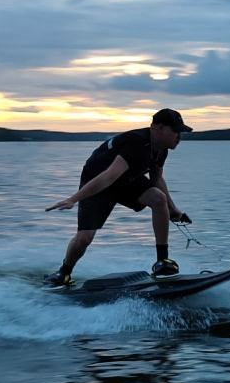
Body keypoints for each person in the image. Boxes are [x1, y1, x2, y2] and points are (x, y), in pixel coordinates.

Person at [43, 108, 194, 286]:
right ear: (158, 128)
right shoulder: (136, 143)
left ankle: (162, 262)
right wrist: (73, 199)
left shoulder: (161, 149)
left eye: (181, 132)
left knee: (159, 199)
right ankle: (64, 273)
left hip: (126, 181)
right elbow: (109, 176)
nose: (179, 137)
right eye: (175, 131)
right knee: (84, 238)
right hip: (98, 181)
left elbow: (156, 179)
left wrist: (173, 209)